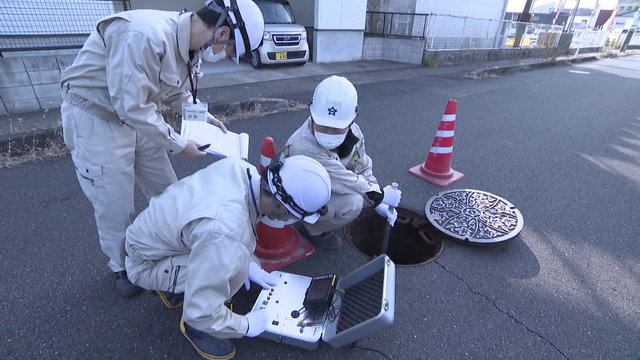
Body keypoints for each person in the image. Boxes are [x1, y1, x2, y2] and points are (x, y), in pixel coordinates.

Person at [59, 0, 264, 298]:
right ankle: (124, 265)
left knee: (168, 188)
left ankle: (164, 249)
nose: (226, 55)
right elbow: (130, 106)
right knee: (114, 200)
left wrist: (206, 118)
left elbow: (177, 93)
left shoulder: (190, 48)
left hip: (138, 116)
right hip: (96, 117)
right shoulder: (146, 36)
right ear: (221, 34)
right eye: (230, 50)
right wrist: (180, 144)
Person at [124, 155, 332, 359]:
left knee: (241, 259)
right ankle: (197, 329)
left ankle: (176, 285)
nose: (291, 220)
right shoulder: (228, 237)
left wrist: (248, 261)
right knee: (236, 269)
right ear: (280, 206)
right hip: (145, 263)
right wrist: (246, 325)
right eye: (295, 215)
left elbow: (216, 230)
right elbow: (222, 240)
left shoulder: (240, 169)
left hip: (151, 237)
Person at [282, 75, 402, 250]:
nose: (330, 133)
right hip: (297, 195)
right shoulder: (303, 146)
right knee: (354, 203)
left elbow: (362, 166)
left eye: (337, 128)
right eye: (323, 126)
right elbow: (344, 180)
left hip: (328, 183)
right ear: (313, 116)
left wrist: (378, 200)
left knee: (356, 194)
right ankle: (312, 229)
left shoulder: (354, 133)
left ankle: (321, 217)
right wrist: (379, 196)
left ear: (351, 121)